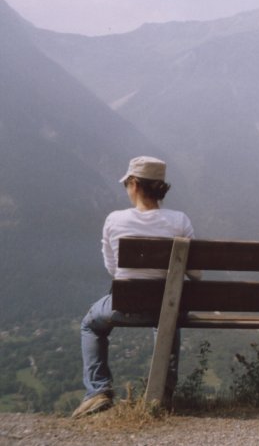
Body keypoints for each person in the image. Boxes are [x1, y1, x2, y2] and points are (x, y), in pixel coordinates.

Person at [72, 156, 200, 418]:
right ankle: (163, 393)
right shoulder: (179, 221)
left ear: (133, 184)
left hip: (123, 304)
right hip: (165, 304)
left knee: (90, 323)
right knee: (168, 314)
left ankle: (98, 391)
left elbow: (113, 269)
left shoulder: (114, 220)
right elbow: (196, 272)